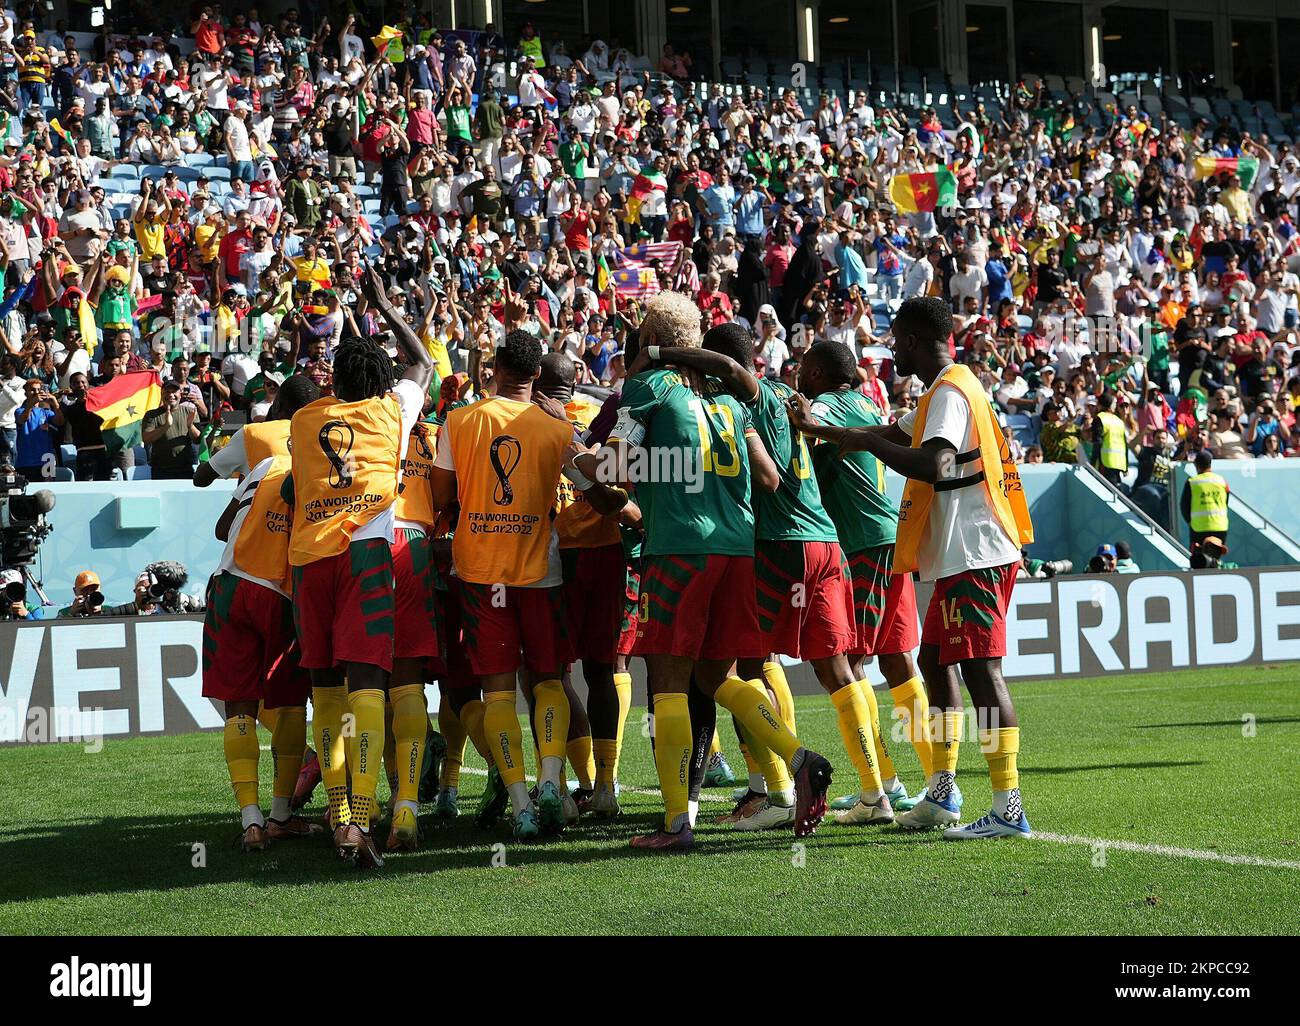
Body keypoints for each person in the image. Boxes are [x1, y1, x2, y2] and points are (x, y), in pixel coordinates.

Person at [572, 291, 833, 851]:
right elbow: (768, 477)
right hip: (737, 551)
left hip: (678, 551)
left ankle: (675, 824)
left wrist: (580, 465)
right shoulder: (727, 401)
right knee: (720, 678)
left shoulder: (650, 388)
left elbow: (616, 469)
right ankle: (798, 756)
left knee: (667, 685)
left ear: (651, 342)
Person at [821, 297, 1035, 839]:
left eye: (897, 340)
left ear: (914, 341)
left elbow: (936, 464)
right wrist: (840, 434)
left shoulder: (950, 394)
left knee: (982, 671)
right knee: (935, 660)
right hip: (960, 555)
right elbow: (900, 434)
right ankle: (942, 792)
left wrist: (865, 440)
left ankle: (1008, 807)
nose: (893, 349)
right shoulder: (946, 389)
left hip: (978, 553)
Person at [285, 266, 433, 869]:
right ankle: (361, 820)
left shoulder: (303, 419)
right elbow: (421, 361)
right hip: (363, 555)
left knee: (326, 690)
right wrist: (383, 306)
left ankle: (340, 807)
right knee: (369, 682)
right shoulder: (392, 411)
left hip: (306, 559)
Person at [431, 328, 576, 839]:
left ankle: (520, 805)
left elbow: (442, 496)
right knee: (549, 681)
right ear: (537, 376)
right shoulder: (557, 427)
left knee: (497, 693)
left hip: (478, 568)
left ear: (494, 368)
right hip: (541, 569)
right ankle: (553, 783)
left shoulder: (459, 419)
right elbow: (594, 482)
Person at [202, 375, 323, 851]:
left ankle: (250, 820)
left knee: (238, 707)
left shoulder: (266, 458)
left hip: (230, 585)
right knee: (291, 704)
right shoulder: (324, 468)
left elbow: (221, 527)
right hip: (283, 596)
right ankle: (280, 816)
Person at [535, 353, 640, 819]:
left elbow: (602, 484)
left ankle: (557, 784)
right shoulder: (605, 414)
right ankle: (603, 786)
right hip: (606, 551)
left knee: (551, 673)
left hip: (554, 555)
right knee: (602, 670)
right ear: (574, 381)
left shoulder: (532, 421)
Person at [1181, 449, 1230, 550]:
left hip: (1199, 528)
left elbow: (1184, 505)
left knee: (1199, 560)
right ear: (1210, 464)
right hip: (1220, 526)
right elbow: (1226, 502)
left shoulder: (1192, 482)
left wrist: (1190, 521)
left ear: (1196, 465)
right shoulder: (1221, 481)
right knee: (1215, 558)